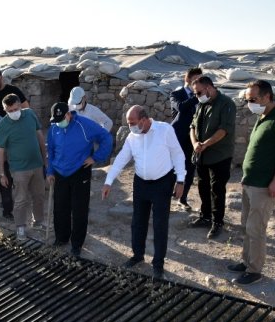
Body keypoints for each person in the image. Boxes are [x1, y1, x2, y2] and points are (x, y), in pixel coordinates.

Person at [102, 105, 185, 280]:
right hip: (140, 183)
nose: (130, 126)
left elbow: (178, 154)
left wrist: (180, 180)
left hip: (162, 183)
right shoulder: (132, 137)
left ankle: (158, 264)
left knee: (160, 225)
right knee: (138, 221)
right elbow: (121, 159)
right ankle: (137, 255)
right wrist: (108, 181)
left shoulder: (164, 130)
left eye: (132, 122)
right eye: (128, 123)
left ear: (144, 119)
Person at [228, 80, 275, 285]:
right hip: (250, 181)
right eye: (248, 99)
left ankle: (255, 270)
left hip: (265, 185)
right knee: (246, 225)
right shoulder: (262, 116)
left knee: (256, 228)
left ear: (267, 97)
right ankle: (247, 261)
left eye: (253, 99)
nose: (250, 103)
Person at [47, 102, 113, 257]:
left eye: (60, 119)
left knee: (79, 209)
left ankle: (77, 244)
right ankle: (61, 238)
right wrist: (50, 171)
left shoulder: (84, 125)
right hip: (60, 172)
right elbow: (50, 149)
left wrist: (96, 157)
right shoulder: (55, 127)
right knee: (60, 207)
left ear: (68, 115)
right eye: (55, 120)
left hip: (80, 171)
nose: (58, 123)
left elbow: (106, 137)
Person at [189, 75, 236, 239]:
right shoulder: (201, 104)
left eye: (199, 92)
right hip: (201, 155)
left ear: (209, 88)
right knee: (203, 187)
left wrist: (205, 144)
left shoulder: (226, 104)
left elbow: (223, 130)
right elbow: (192, 127)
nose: (197, 96)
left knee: (217, 189)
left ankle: (217, 222)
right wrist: (195, 144)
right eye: (195, 93)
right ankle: (205, 216)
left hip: (219, 155)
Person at [0, 94, 47, 239]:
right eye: (9, 111)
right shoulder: (2, 126)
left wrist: (45, 160)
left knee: (39, 195)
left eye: (15, 109)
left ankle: (38, 221)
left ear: (20, 105)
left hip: (37, 164)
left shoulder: (30, 114)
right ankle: (20, 227)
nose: (13, 113)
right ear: (5, 110)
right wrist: (1, 173)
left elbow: (40, 136)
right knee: (21, 199)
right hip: (19, 169)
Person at [169, 67, 203, 211]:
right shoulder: (176, 94)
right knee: (172, 168)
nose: (199, 83)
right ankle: (166, 195)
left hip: (194, 139)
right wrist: (196, 96)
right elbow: (181, 108)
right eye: (196, 80)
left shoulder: (203, 97)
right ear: (188, 80)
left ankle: (182, 198)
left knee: (190, 168)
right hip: (178, 138)